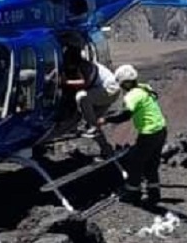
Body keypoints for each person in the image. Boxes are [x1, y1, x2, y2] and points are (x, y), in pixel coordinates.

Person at [106, 63, 168, 205]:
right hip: (161, 130)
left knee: (135, 164)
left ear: (127, 83)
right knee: (152, 165)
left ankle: (133, 194)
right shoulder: (144, 87)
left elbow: (125, 116)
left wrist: (105, 119)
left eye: (121, 84)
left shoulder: (132, 96)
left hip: (149, 134)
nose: (121, 87)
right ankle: (154, 195)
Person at [61, 46, 120, 150]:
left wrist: (66, 82)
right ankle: (106, 149)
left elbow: (85, 82)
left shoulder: (84, 66)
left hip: (109, 90)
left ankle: (92, 127)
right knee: (92, 119)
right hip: (108, 91)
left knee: (82, 97)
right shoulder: (82, 66)